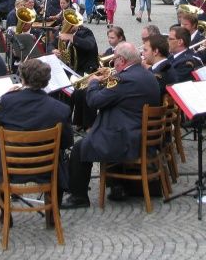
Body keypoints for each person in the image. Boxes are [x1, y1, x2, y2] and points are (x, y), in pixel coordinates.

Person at [61, 43, 162, 209]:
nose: (113, 63)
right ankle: (117, 185)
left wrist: (93, 83)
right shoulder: (148, 75)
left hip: (127, 137)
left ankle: (78, 196)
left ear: (122, 60)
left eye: (115, 59)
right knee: (101, 133)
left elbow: (94, 101)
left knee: (80, 148)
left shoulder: (123, 79)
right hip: (140, 133)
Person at [0, 59, 74, 187]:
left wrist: (5, 95)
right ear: (46, 81)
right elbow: (67, 142)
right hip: (46, 169)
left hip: (8, 168)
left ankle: (3, 205)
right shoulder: (61, 109)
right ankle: (52, 206)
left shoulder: (7, 102)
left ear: (22, 79)